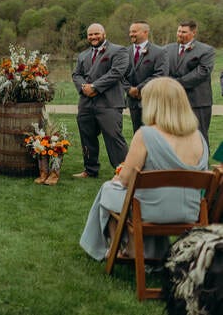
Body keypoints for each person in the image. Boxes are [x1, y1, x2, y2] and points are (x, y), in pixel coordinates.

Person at [79, 77, 209, 261]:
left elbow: (125, 179)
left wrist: (116, 180)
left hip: (151, 211)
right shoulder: (198, 137)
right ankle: (143, 251)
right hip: (191, 210)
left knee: (109, 189)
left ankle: (122, 249)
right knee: (124, 192)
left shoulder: (146, 135)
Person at [71, 23, 129, 178]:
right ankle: (90, 170)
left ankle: (124, 171)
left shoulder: (119, 51)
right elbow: (76, 74)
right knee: (87, 137)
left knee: (114, 137)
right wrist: (83, 87)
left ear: (104, 33)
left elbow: (116, 72)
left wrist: (95, 87)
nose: (93, 37)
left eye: (96, 34)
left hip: (109, 103)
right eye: (90, 35)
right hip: (86, 104)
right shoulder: (83, 55)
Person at [165, 20, 215, 148]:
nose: (180, 34)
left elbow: (202, 72)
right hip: (174, 101)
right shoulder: (167, 49)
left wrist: (177, 83)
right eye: (179, 31)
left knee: (199, 135)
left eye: (184, 32)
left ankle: (201, 167)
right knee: (175, 134)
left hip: (197, 101)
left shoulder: (206, 50)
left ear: (193, 33)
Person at [124, 21, 168, 133]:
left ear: (145, 32)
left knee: (152, 134)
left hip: (151, 100)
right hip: (133, 101)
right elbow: (119, 74)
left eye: (134, 31)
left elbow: (160, 74)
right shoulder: (124, 52)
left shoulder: (159, 52)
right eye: (130, 32)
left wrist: (138, 88)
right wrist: (129, 89)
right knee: (137, 133)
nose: (131, 34)